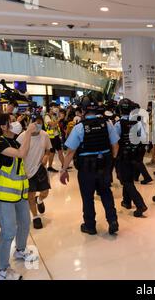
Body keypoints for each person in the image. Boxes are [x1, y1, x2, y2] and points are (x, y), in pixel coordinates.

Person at [60, 96, 120, 235]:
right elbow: (115, 146)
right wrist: (112, 161)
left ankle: (90, 226)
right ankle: (112, 220)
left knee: (88, 197)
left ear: (83, 110)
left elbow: (70, 152)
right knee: (106, 193)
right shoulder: (107, 124)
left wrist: (63, 170)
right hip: (104, 165)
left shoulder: (79, 127)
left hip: (86, 169)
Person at [0, 114, 38, 280]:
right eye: (11, 121)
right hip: (2, 196)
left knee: (25, 222)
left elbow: (23, 153)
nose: (16, 123)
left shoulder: (13, 141)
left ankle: (20, 250)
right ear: (3, 127)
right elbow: (21, 153)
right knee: (9, 231)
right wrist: (29, 132)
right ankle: (2, 271)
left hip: (19, 194)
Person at [17, 115, 51, 229]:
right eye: (35, 123)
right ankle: (35, 217)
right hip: (27, 171)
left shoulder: (44, 135)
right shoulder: (22, 137)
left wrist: (46, 156)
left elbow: (48, 149)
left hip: (40, 169)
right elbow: (16, 154)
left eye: (39, 122)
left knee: (45, 192)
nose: (37, 125)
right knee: (30, 196)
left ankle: (40, 200)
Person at [115, 99, 148, 217]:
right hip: (135, 156)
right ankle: (126, 202)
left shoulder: (118, 124)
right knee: (127, 178)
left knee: (126, 181)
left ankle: (140, 205)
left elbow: (114, 142)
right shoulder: (137, 123)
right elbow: (143, 139)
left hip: (122, 157)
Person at [44, 103, 64, 172]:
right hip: (51, 137)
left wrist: (58, 116)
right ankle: (49, 167)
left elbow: (56, 124)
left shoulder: (53, 116)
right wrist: (59, 119)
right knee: (52, 152)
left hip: (56, 136)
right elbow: (52, 124)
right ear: (50, 108)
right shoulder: (47, 116)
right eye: (54, 107)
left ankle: (64, 165)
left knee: (60, 151)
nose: (56, 108)